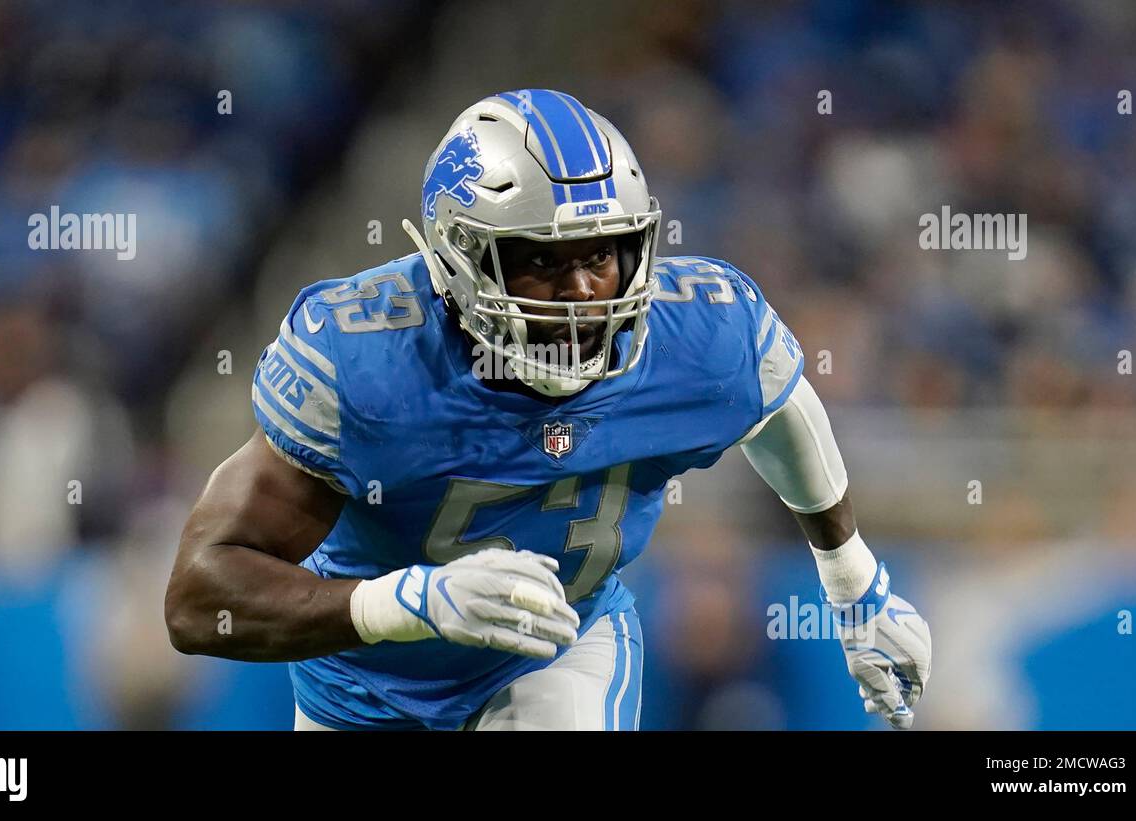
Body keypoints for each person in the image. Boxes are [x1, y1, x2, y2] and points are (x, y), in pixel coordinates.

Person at [164, 89, 931, 731]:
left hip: (561, 643)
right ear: (456, 260)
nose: (583, 294)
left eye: (599, 254)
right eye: (539, 260)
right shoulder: (365, 363)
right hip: (361, 688)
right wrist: (403, 602)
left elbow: (780, 408)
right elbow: (198, 599)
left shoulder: (698, 332)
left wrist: (853, 582)